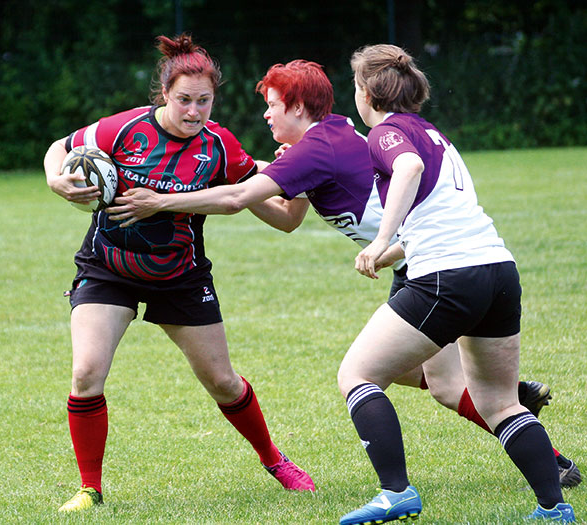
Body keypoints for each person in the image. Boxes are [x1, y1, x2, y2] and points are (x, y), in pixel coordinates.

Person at [110, 58, 581, 494]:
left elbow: (235, 199)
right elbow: (287, 218)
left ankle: (408, 485)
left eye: (272, 106)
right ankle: (540, 442)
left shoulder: (318, 146)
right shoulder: (322, 142)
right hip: (425, 261)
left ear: (296, 106)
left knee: (376, 375)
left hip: (429, 265)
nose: (267, 117)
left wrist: (163, 199)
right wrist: (255, 177)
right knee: (437, 382)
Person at [43, 34, 315, 514]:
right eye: (184, 100)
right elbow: (58, 147)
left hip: (181, 275)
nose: (194, 111)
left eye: (204, 101)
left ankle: (274, 459)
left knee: (224, 382)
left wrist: (303, 181)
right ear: (164, 95)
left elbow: (284, 217)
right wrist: (56, 179)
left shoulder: (219, 146)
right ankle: (90, 488)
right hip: (109, 268)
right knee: (86, 373)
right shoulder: (124, 129)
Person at [335, 44, 575, 523]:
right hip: (498, 271)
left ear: (367, 92)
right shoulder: (433, 133)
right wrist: (396, 250)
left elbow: (408, 169)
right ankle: (554, 508)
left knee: (358, 375)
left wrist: (381, 239)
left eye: (356, 88)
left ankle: (396, 493)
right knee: (500, 403)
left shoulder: (385, 132)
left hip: (449, 276)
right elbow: (442, 216)